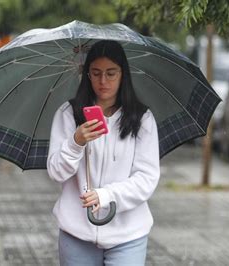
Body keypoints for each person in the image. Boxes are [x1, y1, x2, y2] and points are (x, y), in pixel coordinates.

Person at [47, 40, 160, 265]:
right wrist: (76, 142)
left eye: (111, 73)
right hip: (76, 233)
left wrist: (106, 195)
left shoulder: (142, 118)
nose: (103, 81)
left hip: (128, 234)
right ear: (87, 75)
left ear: (123, 75)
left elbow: (146, 178)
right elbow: (56, 172)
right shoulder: (69, 114)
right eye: (96, 73)